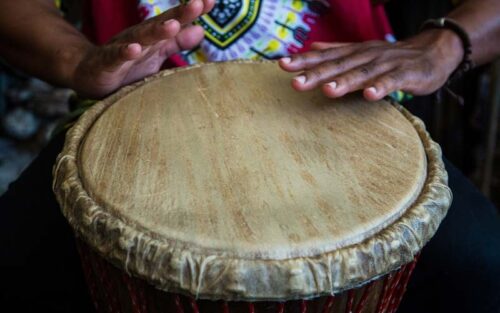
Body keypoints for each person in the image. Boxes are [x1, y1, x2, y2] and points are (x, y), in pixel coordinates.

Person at [0, 0, 499, 312]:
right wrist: (78, 58)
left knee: (483, 267)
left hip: (349, 107)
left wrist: (446, 42)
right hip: (125, 111)